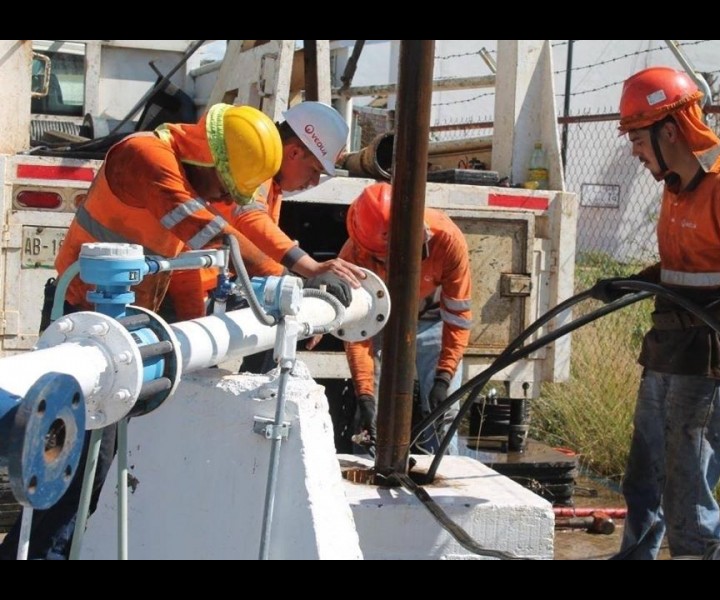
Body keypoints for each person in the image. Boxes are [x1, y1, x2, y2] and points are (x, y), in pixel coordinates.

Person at [1, 102, 292, 560]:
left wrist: (200, 345)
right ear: (209, 160)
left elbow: (183, 267)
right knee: (74, 467)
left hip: (122, 329)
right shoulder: (146, 157)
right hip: (82, 322)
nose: (224, 197)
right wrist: (294, 270)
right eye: (224, 185)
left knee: (91, 471)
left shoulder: (182, 183)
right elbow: (210, 234)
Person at [589, 66, 720, 559]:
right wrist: (631, 281)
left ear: (669, 131)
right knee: (645, 477)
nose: (635, 152)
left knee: (686, 492)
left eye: (637, 139)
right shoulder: (675, 185)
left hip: (706, 358)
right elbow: (684, 267)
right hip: (666, 349)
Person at [164, 101, 364, 373]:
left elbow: (258, 243)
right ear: (294, 152)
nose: (313, 182)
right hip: (182, 292)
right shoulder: (258, 163)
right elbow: (250, 219)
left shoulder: (271, 184)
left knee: (280, 308)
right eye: (315, 170)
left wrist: (304, 302)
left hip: (203, 287)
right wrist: (311, 269)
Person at [340, 182, 473, 455]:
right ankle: (366, 464)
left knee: (444, 410)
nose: (389, 266)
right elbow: (358, 334)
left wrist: (443, 377)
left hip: (433, 318)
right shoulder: (354, 254)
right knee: (370, 413)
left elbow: (457, 317)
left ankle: (442, 471)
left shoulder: (447, 240)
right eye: (381, 259)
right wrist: (365, 395)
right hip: (379, 319)